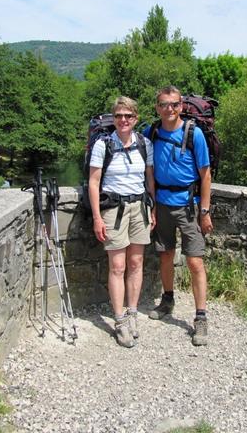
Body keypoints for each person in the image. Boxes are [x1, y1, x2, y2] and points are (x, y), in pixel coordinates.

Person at [145, 86, 213, 346]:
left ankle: (201, 317)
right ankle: (168, 300)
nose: (169, 109)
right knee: (165, 254)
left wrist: (204, 211)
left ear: (182, 105)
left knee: (195, 262)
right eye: (164, 104)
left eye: (174, 104)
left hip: (188, 205)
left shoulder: (194, 134)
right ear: (157, 107)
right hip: (161, 203)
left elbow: (205, 174)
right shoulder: (151, 132)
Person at [88, 96, 155, 348]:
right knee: (117, 266)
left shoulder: (144, 144)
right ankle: (119, 320)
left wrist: (153, 208)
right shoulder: (102, 145)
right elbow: (94, 183)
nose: (123, 120)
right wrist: (96, 217)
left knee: (136, 263)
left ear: (136, 118)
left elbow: (149, 178)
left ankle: (132, 313)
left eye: (128, 116)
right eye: (119, 116)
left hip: (140, 207)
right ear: (113, 118)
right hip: (113, 209)